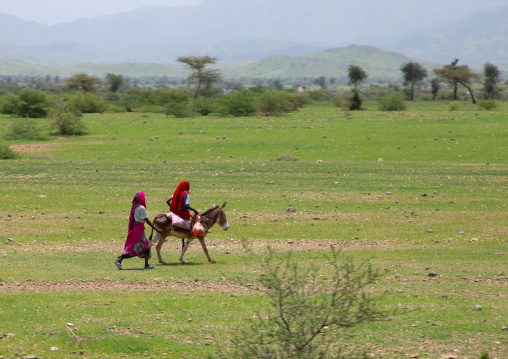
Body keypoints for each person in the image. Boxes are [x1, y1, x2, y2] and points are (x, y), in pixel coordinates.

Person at [114, 191, 161, 270]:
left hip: (135, 228)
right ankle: (119, 260)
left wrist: (141, 225)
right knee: (136, 247)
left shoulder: (134, 207)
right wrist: (157, 229)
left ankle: (146, 265)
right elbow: (148, 221)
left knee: (144, 246)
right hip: (138, 230)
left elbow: (133, 218)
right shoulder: (142, 208)